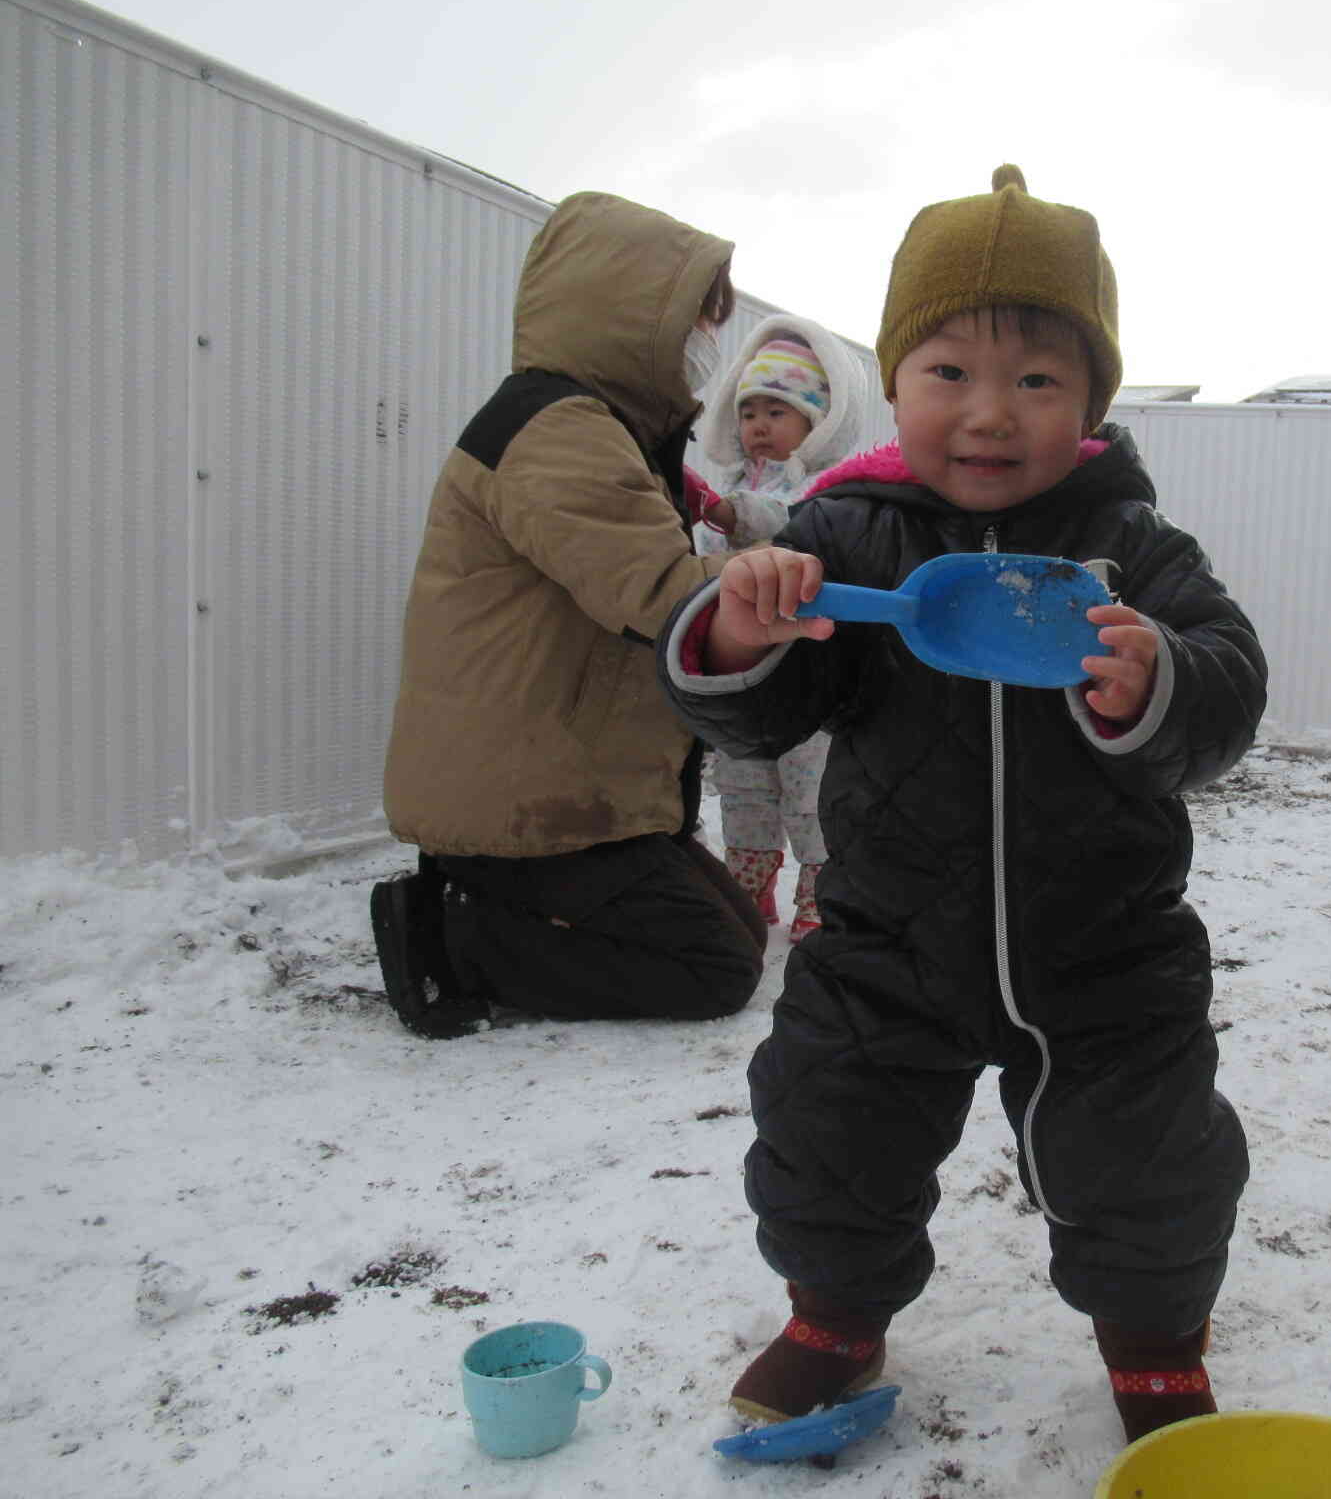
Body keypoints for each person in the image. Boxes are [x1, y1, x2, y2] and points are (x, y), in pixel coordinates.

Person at [657, 166, 1266, 1444]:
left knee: (1146, 1159)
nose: (990, 414)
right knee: (828, 1128)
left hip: (1104, 944)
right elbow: (760, 716)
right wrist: (738, 629)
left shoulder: (1133, 545)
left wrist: (1158, 675)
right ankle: (833, 1312)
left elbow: (1228, 688)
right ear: (896, 381)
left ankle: (1153, 1346)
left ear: (1091, 398)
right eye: (948, 373)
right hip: (888, 934)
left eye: (1037, 380)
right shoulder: (851, 536)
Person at [372, 191, 779, 1038]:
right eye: (699, 322)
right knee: (716, 967)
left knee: (739, 928)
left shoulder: (600, 426)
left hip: (572, 791)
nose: (707, 345)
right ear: (634, 318)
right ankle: (453, 934)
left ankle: (490, 905)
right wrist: (789, 575)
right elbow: (660, 592)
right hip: (519, 804)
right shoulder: (555, 427)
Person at [692, 319, 872, 938]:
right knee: (742, 778)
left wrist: (723, 513)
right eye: (750, 412)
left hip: (802, 667)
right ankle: (750, 881)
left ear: (815, 423)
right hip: (741, 664)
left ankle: (818, 892)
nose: (760, 426)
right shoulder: (733, 484)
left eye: (779, 411)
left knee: (808, 785)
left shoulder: (823, 489)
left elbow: (776, 520)